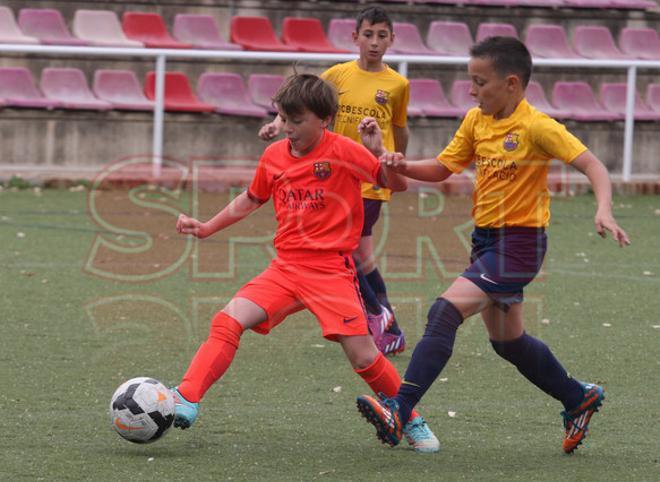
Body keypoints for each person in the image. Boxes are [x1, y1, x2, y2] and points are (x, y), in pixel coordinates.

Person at [354, 36, 630, 455]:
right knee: (508, 342)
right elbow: (444, 167)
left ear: (512, 84)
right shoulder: (475, 120)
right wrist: (398, 162)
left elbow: (592, 164)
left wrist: (604, 209)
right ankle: (578, 397)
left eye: (480, 82)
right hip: (486, 242)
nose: (472, 90)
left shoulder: (537, 126)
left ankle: (400, 409)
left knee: (444, 311)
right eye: (471, 81)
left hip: (520, 246)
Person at [172, 74, 440, 453]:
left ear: (324, 120)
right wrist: (207, 227)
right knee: (228, 319)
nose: (289, 129)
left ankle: (410, 419)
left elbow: (395, 184)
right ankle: (186, 397)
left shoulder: (344, 151)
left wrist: (380, 151)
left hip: (331, 270)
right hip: (285, 268)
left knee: (364, 355)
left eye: (297, 121)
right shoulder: (274, 156)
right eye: (284, 119)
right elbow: (251, 199)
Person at [259, 7, 408, 356]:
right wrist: (276, 126)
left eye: (381, 35)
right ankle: (390, 327)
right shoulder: (338, 75)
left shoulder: (398, 84)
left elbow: (400, 128)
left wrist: (395, 164)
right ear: (354, 38)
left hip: (368, 177)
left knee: (348, 250)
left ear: (391, 40)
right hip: (331, 178)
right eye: (368, 35)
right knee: (362, 255)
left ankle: (377, 316)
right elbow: (302, 102)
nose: (374, 42)